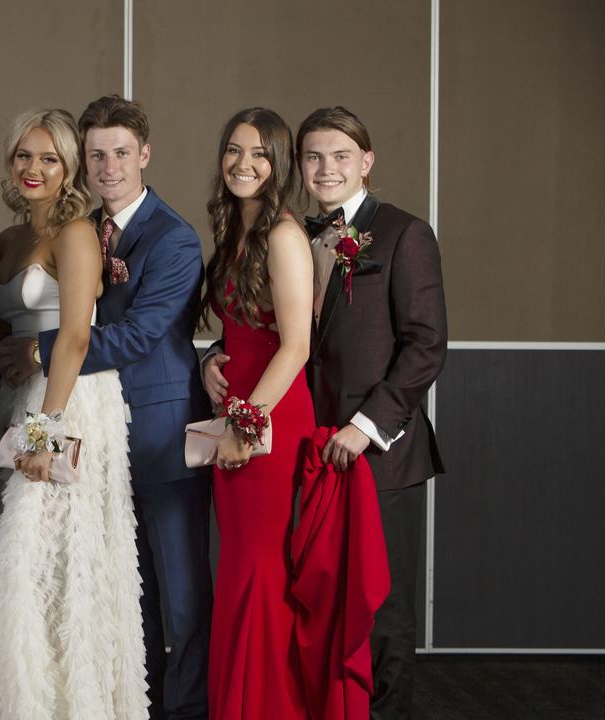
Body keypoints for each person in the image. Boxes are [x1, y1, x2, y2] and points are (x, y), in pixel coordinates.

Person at [0, 95, 210, 719]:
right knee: (112, 592)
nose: (108, 166)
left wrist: (39, 351)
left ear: (144, 154)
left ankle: (184, 712)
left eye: (120, 153)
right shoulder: (77, 225)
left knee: (182, 597)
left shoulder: (173, 236)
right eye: (96, 154)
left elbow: (140, 334)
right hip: (93, 424)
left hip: (159, 430)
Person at [0, 108, 146, 718]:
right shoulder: (9, 239)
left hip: (68, 401)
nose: (33, 169)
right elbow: (3, 339)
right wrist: (1, 426)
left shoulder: (76, 232)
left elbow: (72, 337)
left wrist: (46, 428)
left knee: (49, 564)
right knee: (6, 562)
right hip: (17, 402)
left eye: (48, 157)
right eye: (23, 156)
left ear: (68, 165)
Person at [296, 106, 446, 719]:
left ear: (366, 162)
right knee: (323, 602)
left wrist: (366, 426)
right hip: (312, 451)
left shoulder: (406, 233)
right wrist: (217, 358)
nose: (326, 169)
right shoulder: (297, 237)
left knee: (382, 611)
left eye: (339, 156)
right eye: (313, 157)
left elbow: (426, 343)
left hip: (381, 454)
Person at [201, 107, 314, 719]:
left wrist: (246, 424)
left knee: (259, 563)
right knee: (241, 560)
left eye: (260, 154)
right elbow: (243, 330)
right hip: (238, 405)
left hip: (269, 418)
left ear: (279, 164)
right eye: (234, 150)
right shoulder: (236, 229)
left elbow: (296, 344)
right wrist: (209, 363)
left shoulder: (284, 234)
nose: (244, 164)